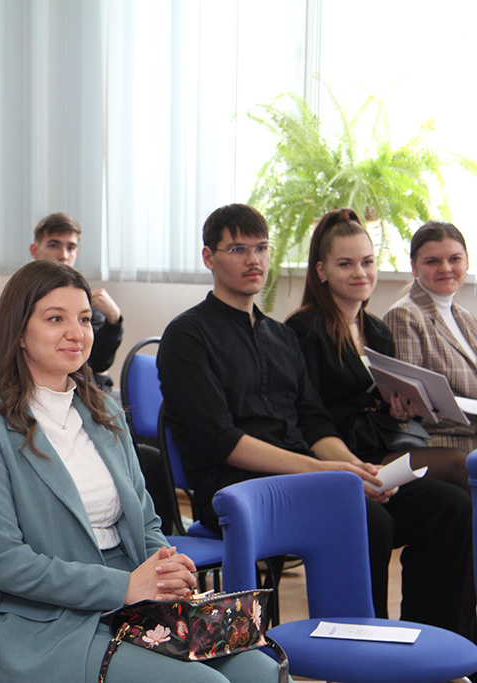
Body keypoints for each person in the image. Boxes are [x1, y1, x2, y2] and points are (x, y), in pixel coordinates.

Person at [0, 259, 279, 683]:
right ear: (17, 332)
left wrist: (164, 568)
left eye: (84, 318)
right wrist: (124, 587)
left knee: (263, 672)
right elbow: (4, 561)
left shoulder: (104, 411)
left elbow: (145, 520)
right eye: (56, 319)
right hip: (52, 623)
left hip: (138, 603)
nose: (77, 332)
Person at [157, 203, 473, 636]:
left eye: (261, 248)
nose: (253, 260)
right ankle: (362, 652)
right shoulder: (188, 334)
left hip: (304, 479)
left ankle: (429, 644)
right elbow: (220, 440)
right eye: (238, 249)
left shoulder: (279, 336)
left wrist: (356, 468)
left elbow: (314, 423)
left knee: (448, 507)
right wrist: (327, 472)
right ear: (209, 257)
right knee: (366, 518)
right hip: (236, 487)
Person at [286, 208, 468, 490]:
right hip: (336, 455)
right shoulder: (305, 329)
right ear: (322, 271)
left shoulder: (377, 330)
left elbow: (382, 406)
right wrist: (357, 467)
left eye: (367, 262)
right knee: (458, 466)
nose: (360, 273)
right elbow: (309, 417)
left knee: (452, 498)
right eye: (345, 264)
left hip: (378, 445)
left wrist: (398, 411)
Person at [384, 221, 477, 452]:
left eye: (454, 259)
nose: (446, 268)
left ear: (467, 263)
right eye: (432, 261)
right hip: (448, 444)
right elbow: (414, 404)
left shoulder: (465, 318)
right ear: (414, 268)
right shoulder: (405, 316)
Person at [31, 212, 124, 389]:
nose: (63, 255)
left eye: (71, 248)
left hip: (86, 389)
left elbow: (99, 362)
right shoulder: (23, 298)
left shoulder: (86, 300)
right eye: (54, 245)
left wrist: (114, 320)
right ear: (35, 250)